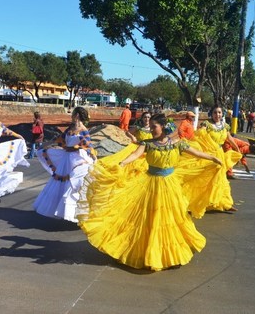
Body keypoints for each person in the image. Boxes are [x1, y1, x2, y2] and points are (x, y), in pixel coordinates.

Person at [77, 113, 222, 271]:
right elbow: (135, 154)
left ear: (164, 127)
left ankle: (169, 253)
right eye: (151, 127)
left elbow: (196, 153)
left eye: (154, 127)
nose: (152, 130)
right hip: (150, 184)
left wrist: (213, 158)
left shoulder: (177, 144)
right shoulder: (147, 144)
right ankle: (147, 251)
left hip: (170, 186)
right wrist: (122, 163)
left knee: (171, 218)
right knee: (149, 218)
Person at [34, 106, 96, 223]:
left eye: (73, 113)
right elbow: (60, 139)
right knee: (61, 184)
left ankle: (73, 213)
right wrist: (47, 144)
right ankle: (59, 210)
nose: (71, 115)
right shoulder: (70, 128)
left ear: (77, 115)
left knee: (73, 183)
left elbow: (88, 145)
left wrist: (91, 155)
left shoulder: (83, 130)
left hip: (76, 159)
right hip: (66, 158)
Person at [185, 104, 242, 217]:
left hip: (220, 155)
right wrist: (201, 131)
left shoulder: (225, 126)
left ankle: (224, 203)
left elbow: (229, 138)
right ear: (212, 113)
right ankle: (198, 203)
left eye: (219, 112)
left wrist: (237, 149)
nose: (217, 115)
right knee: (205, 180)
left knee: (221, 180)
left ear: (222, 114)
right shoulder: (207, 125)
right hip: (208, 155)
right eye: (215, 112)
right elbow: (199, 136)